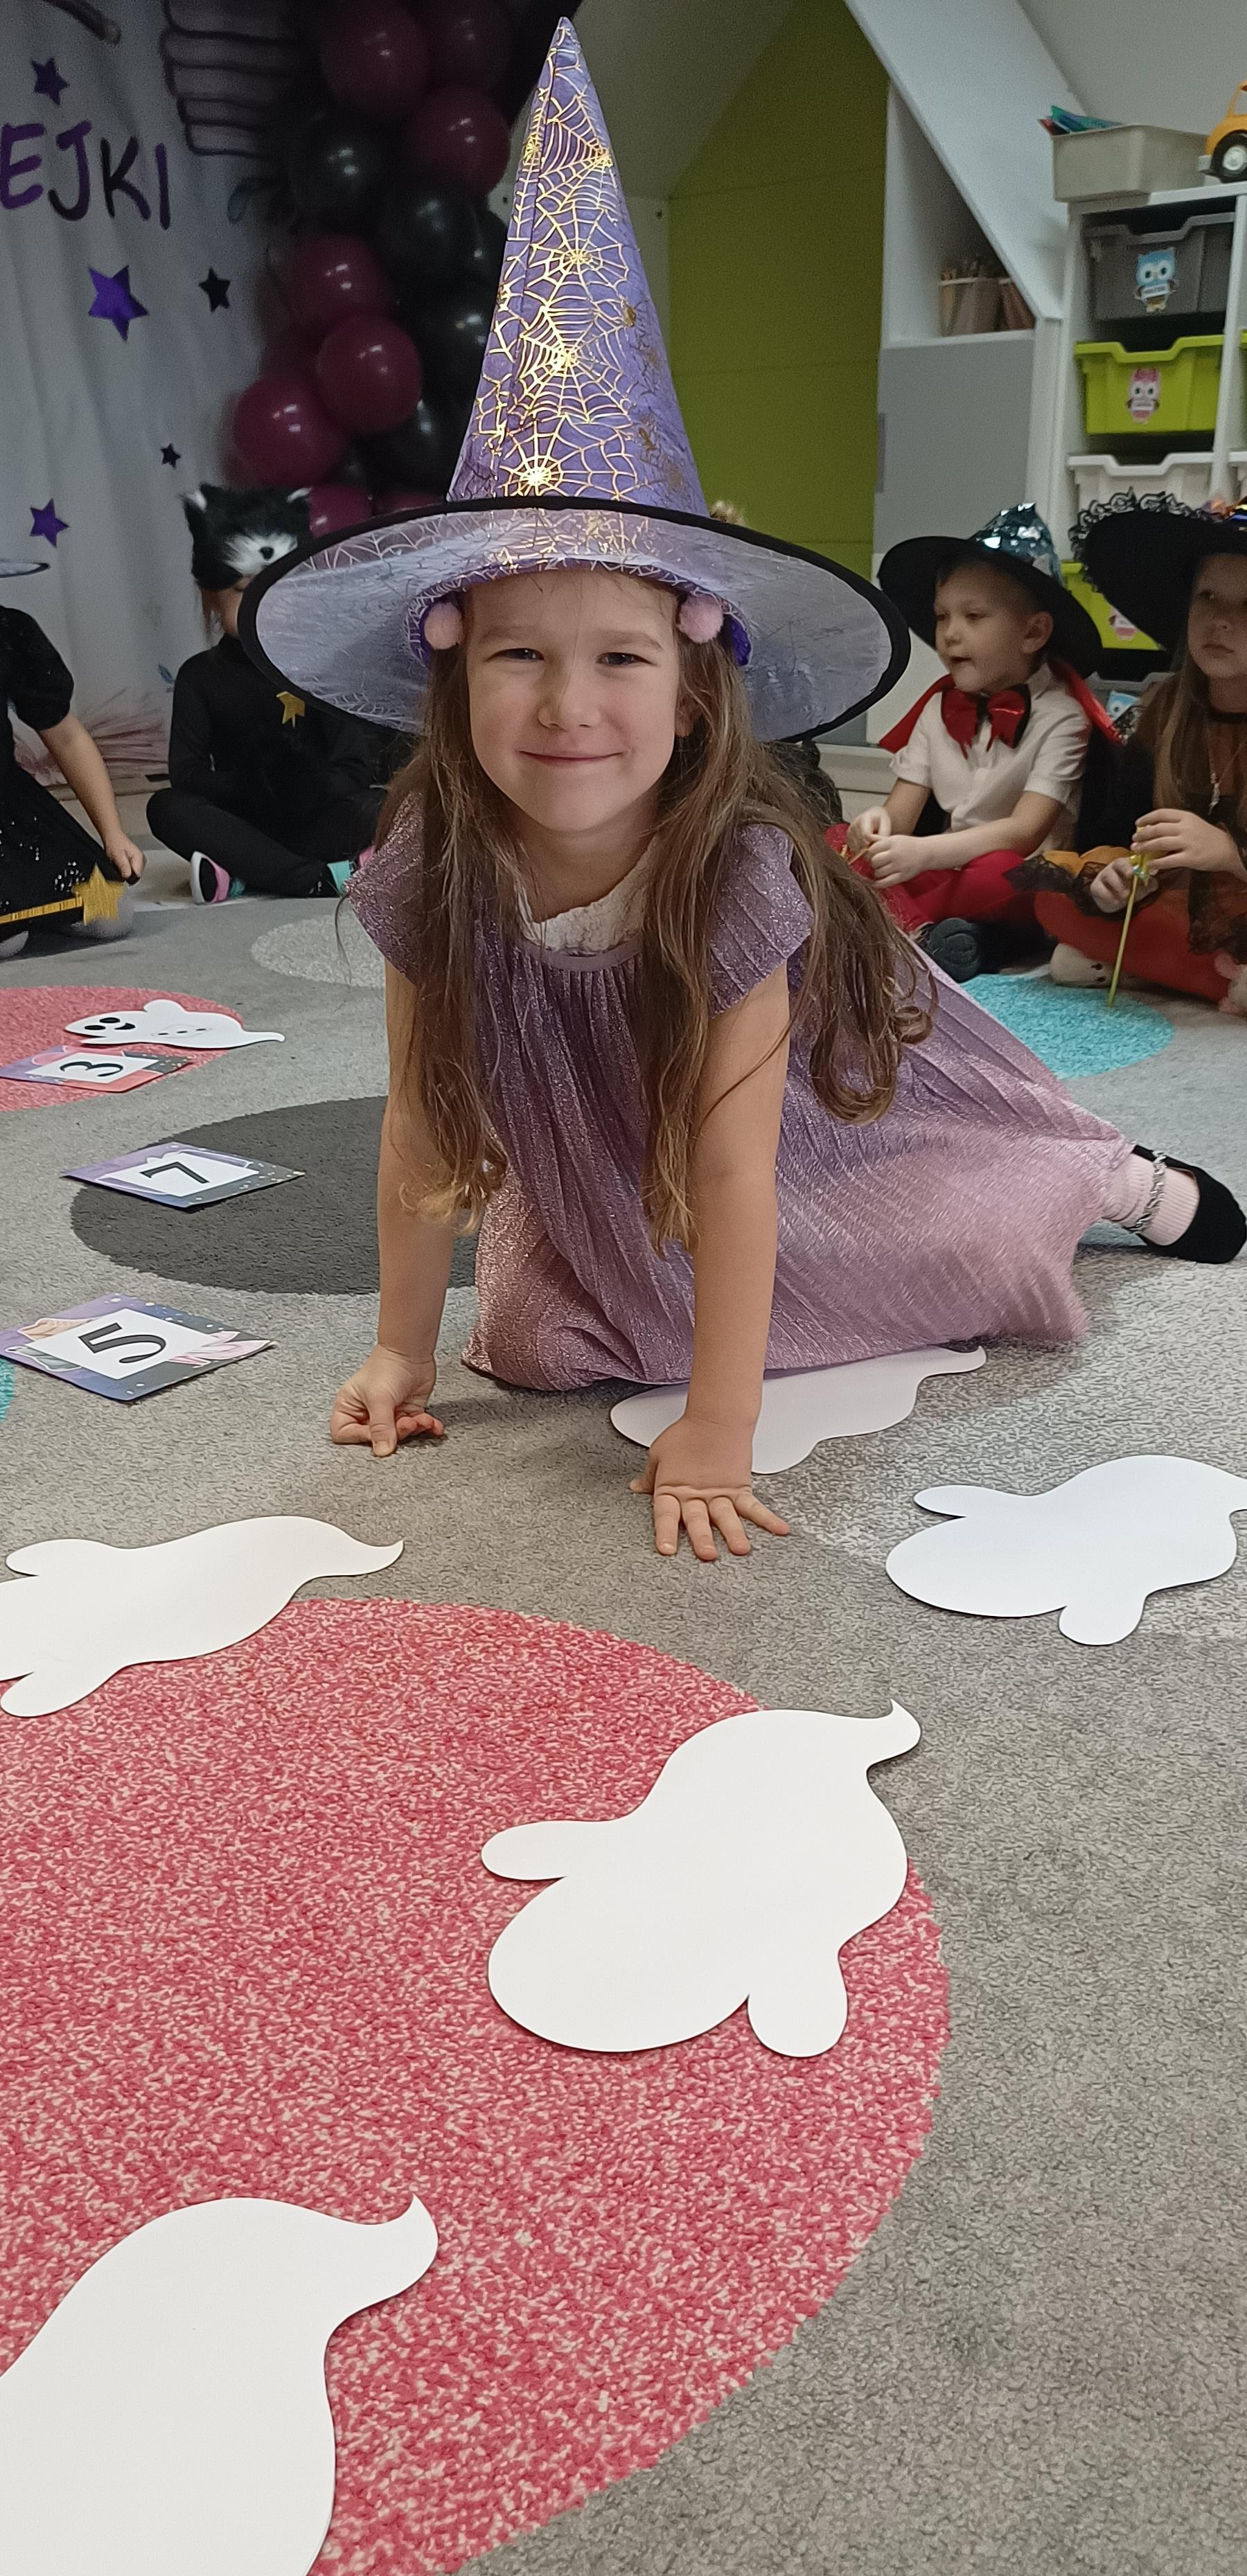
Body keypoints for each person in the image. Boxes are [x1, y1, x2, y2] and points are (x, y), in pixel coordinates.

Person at [243, 21, 1245, 1563]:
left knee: (942, 1255)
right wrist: (399, 1347)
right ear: (449, 673)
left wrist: (721, 1421)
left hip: (802, 1130)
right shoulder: (433, 856)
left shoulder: (729, 874)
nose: (568, 707)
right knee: (544, 1344)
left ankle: (1108, 1175)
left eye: (621, 658)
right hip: (603, 1159)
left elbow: (733, 1164)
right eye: (517, 654)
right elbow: (423, 1121)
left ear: (696, 685)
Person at [844, 508, 1111, 980]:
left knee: (1002, 871)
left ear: (1034, 633)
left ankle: (884, 926)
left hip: (1017, 877)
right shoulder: (936, 709)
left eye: (974, 617)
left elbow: (1024, 832)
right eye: (942, 616)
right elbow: (900, 815)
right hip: (946, 871)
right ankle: (926, 934)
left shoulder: (1063, 718)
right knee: (835, 842)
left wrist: (924, 853)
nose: (950, 634)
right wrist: (874, 827)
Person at [1016, 497, 1247, 1011]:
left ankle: (1169, 969)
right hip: (1178, 904)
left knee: (1078, 958)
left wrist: (1229, 853)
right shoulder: (1164, 711)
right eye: (1208, 596)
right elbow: (1126, 827)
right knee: (1055, 899)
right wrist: (1121, 875)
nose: (1219, 620)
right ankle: (1202, 974)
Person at [146, 487, 384, 905]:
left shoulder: (323, 664)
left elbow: (354, 767)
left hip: (317, 814)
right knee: (166, 808)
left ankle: (242, 870)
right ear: (211, 597)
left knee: (389, 806)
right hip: (241, 815)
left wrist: (306, 787)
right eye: (243, 590)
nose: (261, 604)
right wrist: (248, 788)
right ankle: (315, 878)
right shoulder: (199, 676)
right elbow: (187, 774)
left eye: (276, 590)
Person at [0, 559, 144, 960]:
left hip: (9, 803)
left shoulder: (10, 631)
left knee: (110, 914)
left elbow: (66, 737)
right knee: (8, 939)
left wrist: (113, 833)